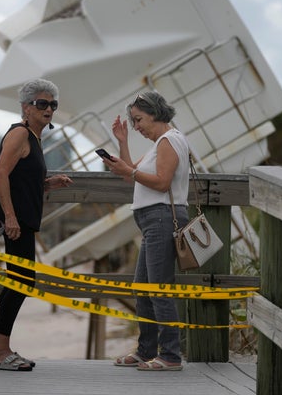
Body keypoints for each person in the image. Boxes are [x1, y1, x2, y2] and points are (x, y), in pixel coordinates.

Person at [0, 78, 72, 371]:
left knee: (21, 281)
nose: (49, 109)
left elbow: (21, 179)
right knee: (20, 282)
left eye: (53, 104)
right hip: (16, 221)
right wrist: (9, 217)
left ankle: (2, 348)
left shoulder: (34, 138)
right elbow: (0, 174)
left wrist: (48, 184)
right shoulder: (20, 134)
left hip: (24, 219)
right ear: (26, 107)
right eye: (42, 104)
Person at [101, 91, 189, 371]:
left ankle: (171, 355)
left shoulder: (169, 140)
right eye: (133, 121)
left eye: (139, 120)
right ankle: (147, 350)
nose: (136, 126)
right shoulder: (158, 144)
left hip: (162, 218)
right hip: (152, 221)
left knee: (158, 289)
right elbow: (131, 174)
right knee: (143, 288)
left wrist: (131, 171)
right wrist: (122, 142)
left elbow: (162, 182)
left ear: (155, 113)